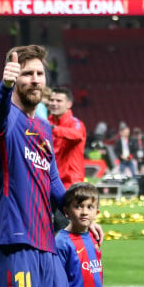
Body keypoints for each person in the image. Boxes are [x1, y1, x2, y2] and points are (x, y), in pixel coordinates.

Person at [0, 44, 103, 287]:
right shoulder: (6, 119)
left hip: (46, 242)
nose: (35, 80)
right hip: (13, 241)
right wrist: (4, 88)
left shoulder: (43, 127)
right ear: (14, 77)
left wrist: (80, 216)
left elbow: (54, 181)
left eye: (40, 74)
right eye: (27, 74)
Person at [56, 182, 106, 287]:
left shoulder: (94, 236)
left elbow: (97, 279)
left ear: (96, 212)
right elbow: (58, 283)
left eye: (90, 207)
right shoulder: (61, 242)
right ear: (66, 212)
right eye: (78, 206)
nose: (84, 212)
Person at [48, 87, 87, 231]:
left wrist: (52, 129)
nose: (54, 103)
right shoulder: (47, 122)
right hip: (51, 182)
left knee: (65, 223)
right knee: (46, 224)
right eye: (52, 100)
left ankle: (81, 251)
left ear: (69, 104)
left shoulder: (75, 123)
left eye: (59, 100)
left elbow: (77, 134)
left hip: (71, 183)